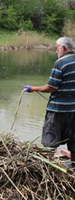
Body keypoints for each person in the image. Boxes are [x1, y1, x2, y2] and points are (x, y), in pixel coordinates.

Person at [23, 36, 75, 168]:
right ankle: (73, 166)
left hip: (58, 110)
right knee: (73, 140)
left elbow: (51, 87)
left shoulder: (60, 63)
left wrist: (34, 89)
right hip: (73, 110)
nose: (56, 52)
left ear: (63, 48)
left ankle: (47, 168)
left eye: (56, 48)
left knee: (50, 139)